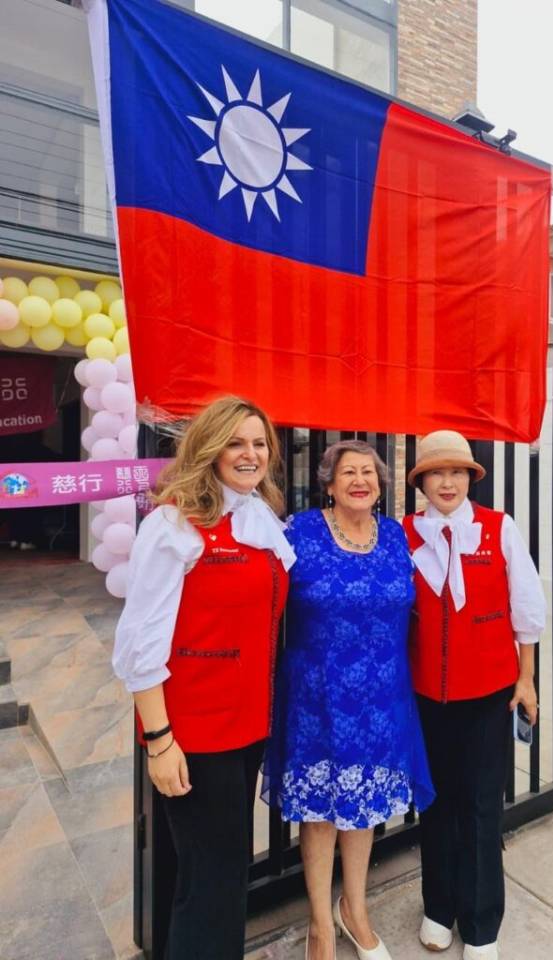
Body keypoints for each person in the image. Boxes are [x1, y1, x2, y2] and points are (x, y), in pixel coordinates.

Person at [113, 396, 295, 960]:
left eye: (259, 443)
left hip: (246, 728)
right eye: (236, 443)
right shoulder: (174, 525)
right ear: (210, 449)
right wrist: (159, 741)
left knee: (214, 874)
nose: (250, 454)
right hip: (194, 734)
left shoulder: (259, 514)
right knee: (212, 883)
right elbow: (140, 643)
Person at [264, 439, 434, 960]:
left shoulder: (395, 537)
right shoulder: (300, 531)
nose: (360, 480)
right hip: (316, 697)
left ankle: (354, 910)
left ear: (381, 485)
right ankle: (320, 923)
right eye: (349, 473)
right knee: (318, 814)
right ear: (329, 483)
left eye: (369, 473)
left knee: (361, 810)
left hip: (381, 698)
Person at [403, 430, 546, 960]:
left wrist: (526, 678)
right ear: (421, 481)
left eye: (457, 472)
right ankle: (439, 907)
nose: (447, 482)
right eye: (437, 473)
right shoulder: (404, 535)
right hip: (426, 698)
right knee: (436, 805)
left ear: (469, 478)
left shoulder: (497, 528)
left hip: (489, 694)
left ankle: (483, 921)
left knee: (483, 806)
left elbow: (526, 608)